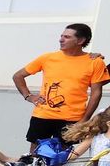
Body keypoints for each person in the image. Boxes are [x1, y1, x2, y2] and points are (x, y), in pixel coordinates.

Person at [12, 23, 109, 151]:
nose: (61, 39)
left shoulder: (95, 62)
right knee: (35, 157)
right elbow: (18, 76)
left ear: (80, 40)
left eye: (67, 37)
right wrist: (29, 96)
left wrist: (85, 119)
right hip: (43, 115)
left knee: (62, 159)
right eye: (61, 36)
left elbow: (96, 93)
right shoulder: (47, 58)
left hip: (72, 118)